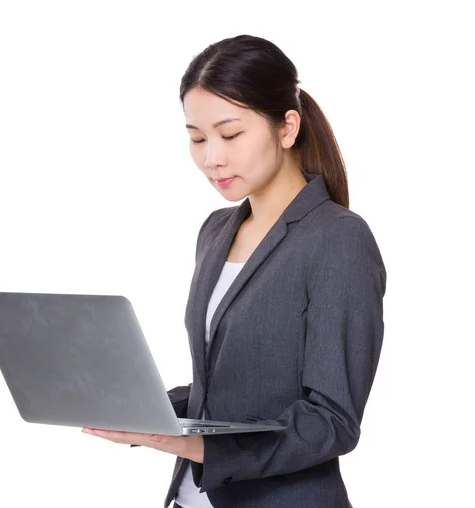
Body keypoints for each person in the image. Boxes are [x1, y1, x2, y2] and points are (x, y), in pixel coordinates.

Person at [82, 34, 386, 508]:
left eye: (230, 134)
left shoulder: (337, 239)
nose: (211, 158)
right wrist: (144, 410)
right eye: (197, 138)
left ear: (287, 128)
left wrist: (200, 447)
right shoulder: (216, 230)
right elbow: (222, 389)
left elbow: (332, 420)